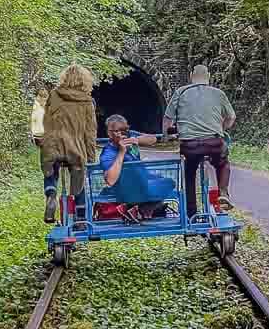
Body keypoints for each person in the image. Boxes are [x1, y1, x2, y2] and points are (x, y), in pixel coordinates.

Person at [164, 64, 235, 217]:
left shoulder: (180, 92)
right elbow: (231, 117)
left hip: (190, 146)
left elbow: (168, 119)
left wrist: (169, 135)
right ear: (208, 76)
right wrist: (221, 129)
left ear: (191, 76)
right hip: (214, 144)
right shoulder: (219, 93)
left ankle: (191, 213)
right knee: (222, 163)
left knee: (189, 172)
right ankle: (223, 192)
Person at [39, 65, 96, 223]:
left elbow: (46, 121)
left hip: (52, 145)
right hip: (75, 148)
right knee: (78, 176)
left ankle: (51, 194)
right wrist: (91, 158)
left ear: (64, 78)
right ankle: (80, 217)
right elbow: (90, 133)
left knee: (51, 170)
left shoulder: (54, 95)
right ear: (85, 80)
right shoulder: (87, 101)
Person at [98, 114, 175, 220]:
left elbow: (153, 139)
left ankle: (141, 208)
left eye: (124, 130)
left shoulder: (131, 135)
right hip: (126, 190)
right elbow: (110, 180)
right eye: (117, 131)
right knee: (140, 176)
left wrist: (137, 140)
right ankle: (142, 208)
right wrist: (121, 152)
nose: (121, 134)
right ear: (109, 133)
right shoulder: (108, 153)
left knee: (169, 182)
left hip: (144, 183)